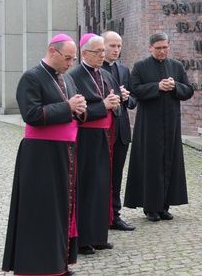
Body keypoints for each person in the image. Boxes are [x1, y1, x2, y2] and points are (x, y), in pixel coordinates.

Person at [2, 34, 85, 276]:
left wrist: (79, 108)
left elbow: (73, 109)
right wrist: (68, 107)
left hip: (65, 152)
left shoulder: (67, 78)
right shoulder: (31, 77)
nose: (70, 63)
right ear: (52, 51)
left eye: (73, 59)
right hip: (40, 155)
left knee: (63, 210)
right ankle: (39, 266)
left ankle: (59, 263)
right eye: (67, 58)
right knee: (42, 211)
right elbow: (32, 114)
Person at [124, 32, 194, 221]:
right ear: (150, 48)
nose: (162, 51)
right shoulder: (140, 67)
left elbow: (188, 90)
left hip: (171, 123)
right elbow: (135, 90)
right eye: (158, 48)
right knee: (151, 163)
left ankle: (165, 205)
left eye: (165, 47)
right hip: (149, 125)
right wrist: (157, 87)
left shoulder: (176, 66)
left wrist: (174, 86)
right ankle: (150, 207)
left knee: (170, 162)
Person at [69, 33, 122, 254]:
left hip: (105, 137)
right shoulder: (74, 76)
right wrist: (105, 105)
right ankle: (83, 240)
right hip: (86, 139)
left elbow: (113, 99)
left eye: (103, 51)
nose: (103, 55)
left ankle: (99, 235)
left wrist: (117, 101)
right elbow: (77, 111)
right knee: (88, 187)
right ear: (85, 53)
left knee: (102, 186)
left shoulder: (105, 74)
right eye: (98, 51)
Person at [101, 31, 137, 231]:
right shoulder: (96, 70)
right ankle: (100, 215)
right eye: (112, 46)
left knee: (116, 175)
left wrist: (126, 97)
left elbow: (133, 101)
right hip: (103, 130)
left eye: (119, 46)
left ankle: (115, 215)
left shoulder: (123, 70)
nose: (116, 50)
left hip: (122, 130)